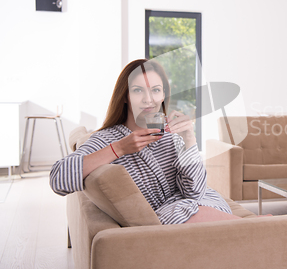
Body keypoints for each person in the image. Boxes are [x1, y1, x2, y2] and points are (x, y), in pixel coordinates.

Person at [50, 59, 241, 224]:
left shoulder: (170, 135)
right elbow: (58, 178)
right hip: (164, 220)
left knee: (203, 203)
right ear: (125, 96)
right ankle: (254, 228)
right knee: (191, 211)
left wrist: (189, 140)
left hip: (193, 207)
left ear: (164, 94)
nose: (149, 99)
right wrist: (119, 148)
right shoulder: (106, 139)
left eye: (156, 90)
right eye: (138, 90)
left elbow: (195, 192)